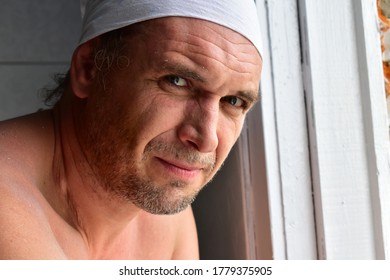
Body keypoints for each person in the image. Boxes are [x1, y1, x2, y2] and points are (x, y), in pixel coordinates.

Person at [0, 0, 263, 259]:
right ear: (90, 68)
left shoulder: (167, 220)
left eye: (233, 101)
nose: (207, 139)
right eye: (177, 81)